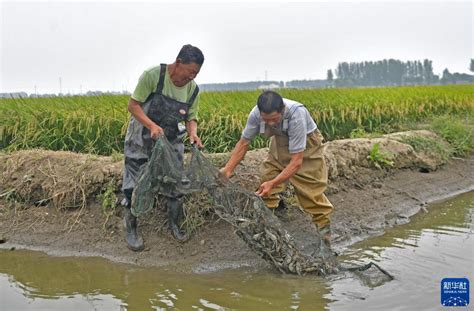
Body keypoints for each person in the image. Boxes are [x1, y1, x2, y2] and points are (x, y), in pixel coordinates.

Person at [220, 90, 334, 246]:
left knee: (311, 193)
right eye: (266, 120)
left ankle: (325, 240)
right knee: (266, 179)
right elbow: (243, 143)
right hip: (280, 142)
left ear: (282, 110)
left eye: (274, 119)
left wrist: (273, 183)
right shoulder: (255, 115)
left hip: (307, 145)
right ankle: (268, 233)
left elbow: (296, 162)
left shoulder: (296, 114)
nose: (271, 124)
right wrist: (227, 170)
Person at [121, 44, 204, 251]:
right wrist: (151, 125)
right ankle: (131, 228)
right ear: (178, 63)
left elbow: (191, 117)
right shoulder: (154, 76)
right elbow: (133, 106)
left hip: (170, 140)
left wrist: (192, 132)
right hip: (142, 137)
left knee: (176, 181)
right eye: (190, 72)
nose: (191, 77)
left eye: (196, 74)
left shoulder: (192, 89)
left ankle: (175, 224)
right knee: (135, 183)